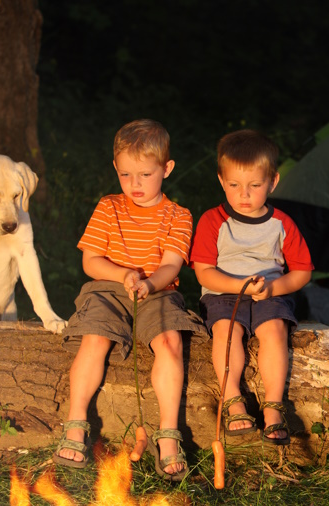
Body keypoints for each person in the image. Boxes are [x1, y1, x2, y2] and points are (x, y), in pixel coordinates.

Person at [55, 119, 205, 480]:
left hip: (158, 291)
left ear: (166, 169)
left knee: (170, 342)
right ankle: (76, 423)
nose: (134, 184)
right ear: (115, 169)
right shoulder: (108, 208)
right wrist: (122, 274)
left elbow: (171, 264)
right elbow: (90, 262)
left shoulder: (178, 215)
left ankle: (168, 435)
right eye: (125, 175)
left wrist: (150, 284)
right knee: (94, 338)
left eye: (145, 174)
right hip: (109, 288)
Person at [190, 129, 313, 445]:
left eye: (254, 186)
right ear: (221, 181)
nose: (243, 194)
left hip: (269, 290)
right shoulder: (213, 221)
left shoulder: (281, 224)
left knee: (274, 330)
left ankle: (273, 406)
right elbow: (203, 272)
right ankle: (233, 400)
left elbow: (302, 272)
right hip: (224, 291)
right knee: (226, 331)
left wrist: (273, 289)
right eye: (234, 185)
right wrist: (237, 286)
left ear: (272, 181)